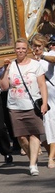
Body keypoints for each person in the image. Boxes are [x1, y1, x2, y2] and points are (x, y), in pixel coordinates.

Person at [0, 38, 48, 175]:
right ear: (15, 49)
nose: (20, 51)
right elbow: (3, 86)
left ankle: (32, 165)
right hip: (15, 105)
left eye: (23, 48)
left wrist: (44, 103)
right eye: (18, 48)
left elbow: (42, 85)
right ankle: (33, 157)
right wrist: (5, 70)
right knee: (21, 137)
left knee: (34, 133)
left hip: (32, 104)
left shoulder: (35, 65)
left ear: (27, 50)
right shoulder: (11, 65)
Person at [34, 34, 55, 168]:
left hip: (52, 96)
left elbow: (53, 59)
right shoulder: (30, 60)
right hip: (38, 97)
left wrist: (41, 56)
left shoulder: (49, 54)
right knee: (43, 129)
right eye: (34, 46)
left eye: (39, 46)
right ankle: (51, 154)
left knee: (51, 126)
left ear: (44, 45)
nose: (36, 48)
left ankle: (51, 158)